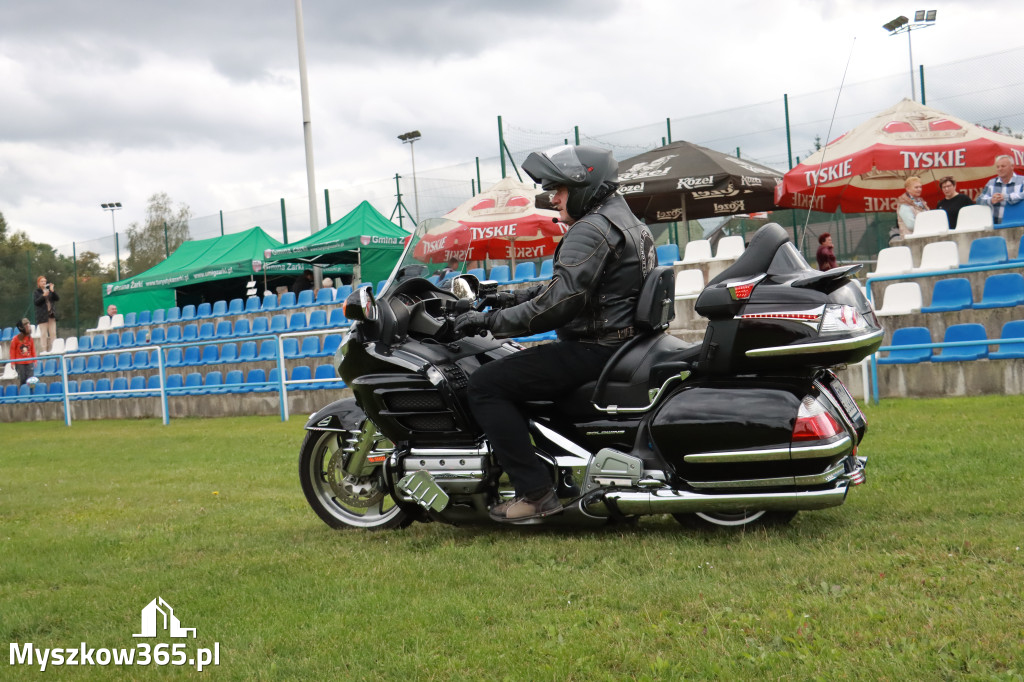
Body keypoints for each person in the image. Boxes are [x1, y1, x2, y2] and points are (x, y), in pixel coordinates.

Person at [454, 145, 656, 523]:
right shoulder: (628, 221)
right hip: (622, 343)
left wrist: (489, 323)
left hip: (596, 347)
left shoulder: (590, 228)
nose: (552, 196)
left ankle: (535, 493)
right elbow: (581, 289)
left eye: (560, 188)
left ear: (586, 186)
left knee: (485, 384)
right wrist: (504, 297)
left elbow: (560, 303)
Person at [978, 155, 1024, 225]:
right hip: (996, 225)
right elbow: (979, 200)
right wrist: (991, 200)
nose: (1000, 169)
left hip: (1019, 224)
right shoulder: (991, 182)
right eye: (998, 167)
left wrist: (1006, 197)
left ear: (1012, 166)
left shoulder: (1022, 180)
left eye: (1003, 166)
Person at [33, 275, 59, 353]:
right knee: (44, 334)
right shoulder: (37, 292)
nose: (44, 282)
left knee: (53, 333)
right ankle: (44, 350)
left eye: (45, 281)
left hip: (51, 315)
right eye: (42, 281)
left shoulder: (50, 291)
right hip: (42, 316)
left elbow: (57, 298)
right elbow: (36, 302)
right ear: (38, 283)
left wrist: (52, 291)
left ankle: (54, 349)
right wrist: (43, 296)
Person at [10, 318, 37, 386]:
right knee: (22, 379)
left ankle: (31, 394)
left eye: (29, 325)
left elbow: (32, 349)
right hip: (20, 363)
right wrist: (12, 362)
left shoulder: (30, 338)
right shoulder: (15, 339)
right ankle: (23, 393)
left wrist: (35, 360)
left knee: (31, 380)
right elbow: (12, 350)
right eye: (26, 326)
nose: (29, 327)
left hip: (29, 362)